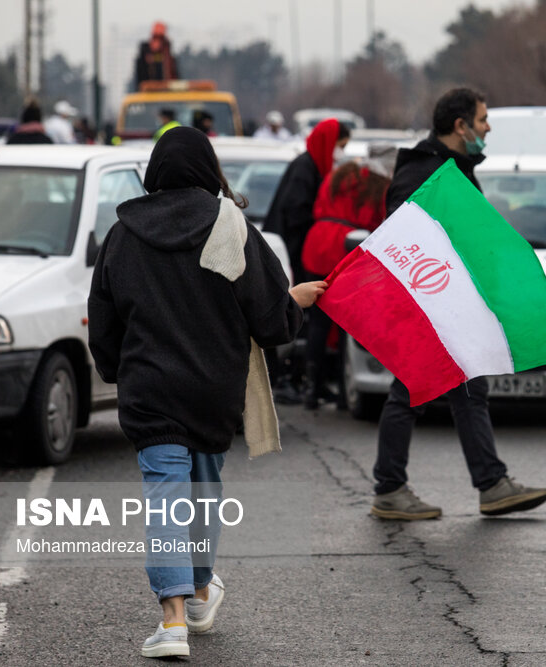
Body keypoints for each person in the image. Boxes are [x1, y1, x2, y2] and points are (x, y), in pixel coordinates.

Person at [87, 126, 326, 659]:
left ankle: (175, 617)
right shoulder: (230, 225)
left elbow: (103, 321)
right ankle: (194, 596)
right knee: (202, 492)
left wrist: (114, 369)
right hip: (213, 389)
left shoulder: (123, 233)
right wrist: (296, 302)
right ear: (208, 168)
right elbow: (269, 320)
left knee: (166, 496)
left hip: (150, 389)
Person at [370, 87, 546, 521]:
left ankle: (491, 484)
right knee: (411, 390)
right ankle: (391, 488)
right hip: (428, 306)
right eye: (483, 119)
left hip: (452, 306)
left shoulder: (453, 168)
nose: (487, 128)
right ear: (460, 125)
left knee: (469, 390)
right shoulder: (425, 172)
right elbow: (403, 236)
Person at [262, 119, 350, 403]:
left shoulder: (312, 165)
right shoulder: (305, 168)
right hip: (295, 253)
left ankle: (309, 379)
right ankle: (298, 378)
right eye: (340, 146)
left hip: (299, 250)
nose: (340, 152)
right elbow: (294, 214)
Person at [300, 158, 391, 409]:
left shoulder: (335, 176)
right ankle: (342, 389)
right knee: (344, 324)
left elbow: (317, 204)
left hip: (317, 242)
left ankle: (312, 388)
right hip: (346, 246)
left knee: (317, 323)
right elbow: (378, 221)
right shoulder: (375, 184)